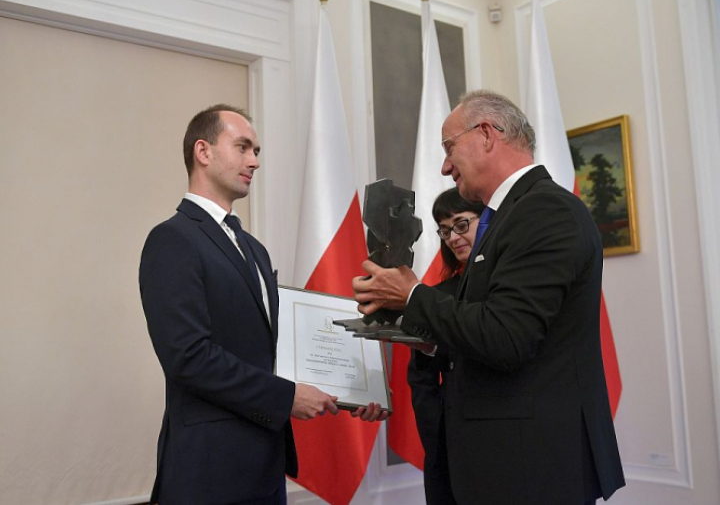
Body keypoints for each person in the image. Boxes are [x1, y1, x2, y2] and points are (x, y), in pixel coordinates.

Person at [353, 90, 625, 505]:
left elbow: (507, 337)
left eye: (449, 148)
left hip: (529, 467)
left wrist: (413, 296)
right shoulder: (511, 215)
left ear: (485, 134)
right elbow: (486, 326)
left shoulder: (543, 211)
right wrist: (421, 334)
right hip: (503, 461)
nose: (445, 167)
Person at [140, 105, 383, 505]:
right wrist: (286, 398)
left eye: (257, 150)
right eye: (243, 147)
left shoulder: (252, 248)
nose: (255, 161)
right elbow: (188, 356)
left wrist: (351, 389)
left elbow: (273, 352)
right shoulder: (173, 240)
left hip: (264, 467)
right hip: (210, 472)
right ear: (204, 151)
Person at [407, 188, 484, 505]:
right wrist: (438, 438)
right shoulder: (434, 295)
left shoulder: (507, 286)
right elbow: (422, 379)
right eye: (444, 230)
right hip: (449, 442)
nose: (453, 237)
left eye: (461, 225)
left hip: (499, 440)